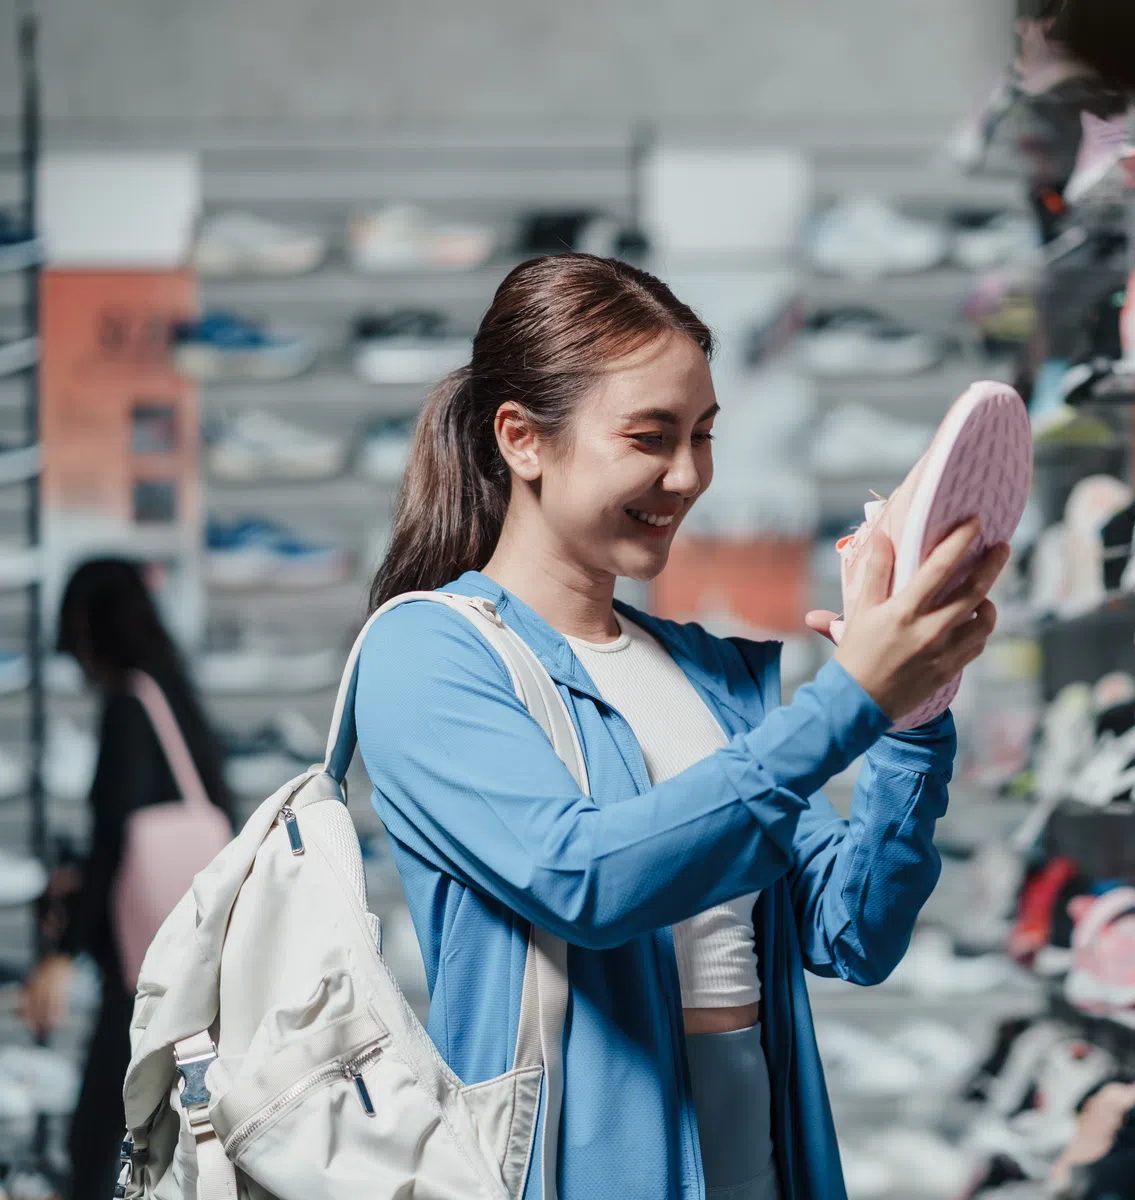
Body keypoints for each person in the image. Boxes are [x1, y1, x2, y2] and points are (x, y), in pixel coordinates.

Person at [354, 253, 1006, 1200]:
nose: (688, 474)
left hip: (758, 1140)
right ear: (521, 439)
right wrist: (848, 697)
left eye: (703, 434)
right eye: (651, 437)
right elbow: (586, 879)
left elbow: (854, 929)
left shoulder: (706, 673)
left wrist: (910, 720)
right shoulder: (427, 652)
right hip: (588, 1161)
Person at [21, 558, 234, 1200]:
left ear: (89, 629)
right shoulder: (171, 697)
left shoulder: (127, 707)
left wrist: (60, 956)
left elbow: (115, 841)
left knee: (98, 1137)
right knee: (155, 1133)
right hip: (186, 963)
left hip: (144, 971)